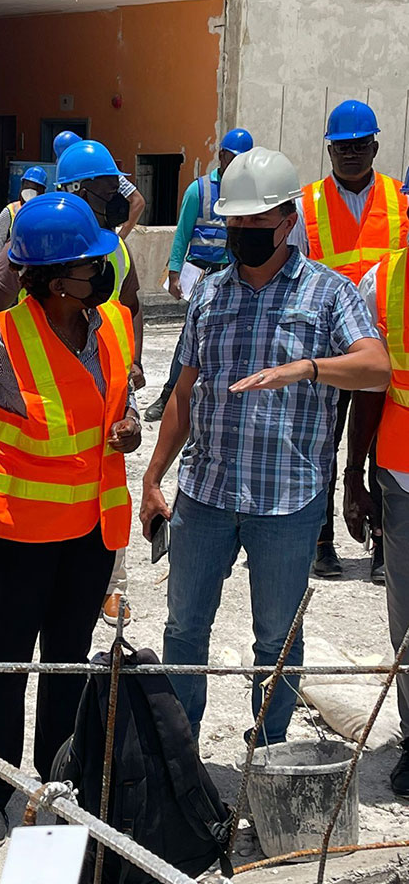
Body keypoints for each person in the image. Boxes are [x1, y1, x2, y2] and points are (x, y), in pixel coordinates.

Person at [139, 146, 390, 747]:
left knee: (276, 639)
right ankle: (180, 756)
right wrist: (152, 477)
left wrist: (306, 367)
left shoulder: (329, 294)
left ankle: (269, 754)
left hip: (290, 498)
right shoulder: (210, 295)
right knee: (184, 629)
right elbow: (183, 391)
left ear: (286, 219)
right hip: (206, 493)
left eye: (255, 222)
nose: (242, 233)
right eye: (234, 222)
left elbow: (376, 367)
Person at [0, 192, 141, 846]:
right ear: (55, 282)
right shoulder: (1, 338)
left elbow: (118, 398)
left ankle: (60, 780)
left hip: (89, 528)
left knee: (68, 657)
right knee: (9, 654)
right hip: (20, 532)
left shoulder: (109, 324)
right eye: (90, 265)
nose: (104, 273)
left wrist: (130, 424)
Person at [290, 100, 409, 580]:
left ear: (376, 146)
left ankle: (382, 540)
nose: (352, 155)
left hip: (385, 352)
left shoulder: (400, 199)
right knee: (321, 445)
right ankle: (322, 540)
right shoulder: (306, 205)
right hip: (326, 352)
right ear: (330, 150)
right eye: (342, 148)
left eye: (360, 146)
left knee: (380, 448)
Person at [55, 138, 146, 627]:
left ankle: (113, 587)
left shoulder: (116, 246)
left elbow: (130, 305)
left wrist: (130, 359)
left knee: (110, 490)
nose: (115, 199)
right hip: (55, 396)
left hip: (107, 386)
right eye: (103, 189)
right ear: (72, 191)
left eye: (117, 187)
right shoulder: (42, 238)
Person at [343, 169, 409, 796]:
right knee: (407, 620)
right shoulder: (383, 282)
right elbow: (370, 390)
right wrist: (355, 475)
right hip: (401, 474)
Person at [144, 128, 254, 422]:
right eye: (234, 159)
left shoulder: (250, 191)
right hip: (201, 275)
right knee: (189, 339)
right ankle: (169, 395)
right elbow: (182, 234)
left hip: (234, 275)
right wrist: (175, 273)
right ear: (222, 156)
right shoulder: (200, 190)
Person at [54, 130, 146, 239]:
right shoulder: (64, 178)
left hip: (103, 237)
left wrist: (120, 237)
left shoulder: (106, 173)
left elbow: (138, 201)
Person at [0, 166, 48, 254]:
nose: (29, 190)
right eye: (27, 185)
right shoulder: (9, 212)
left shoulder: (44, 214)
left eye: (35, 188)